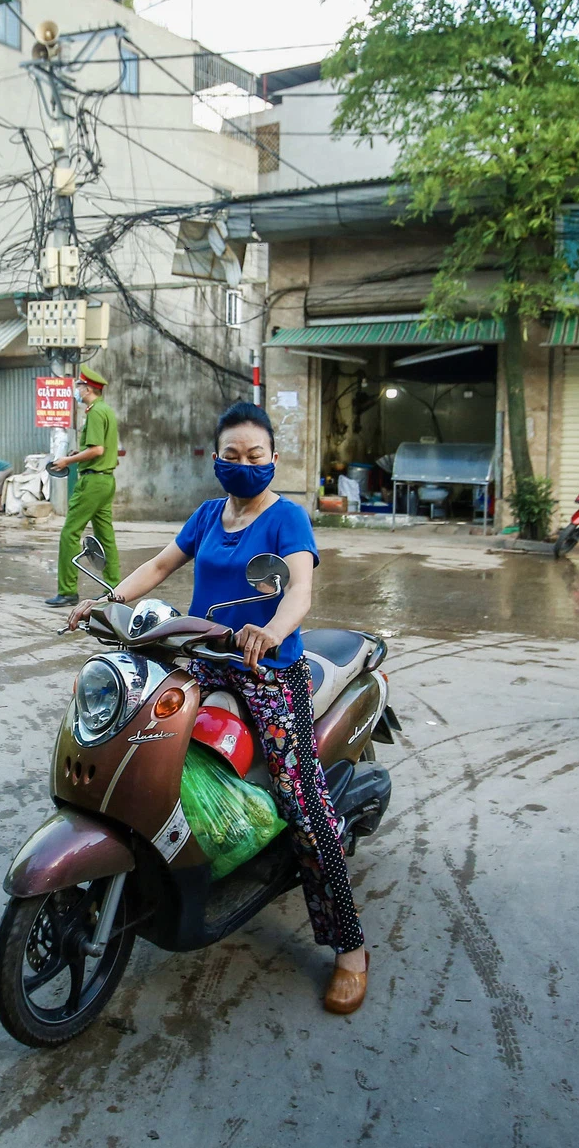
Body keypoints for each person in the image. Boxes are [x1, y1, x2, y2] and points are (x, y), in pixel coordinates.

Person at [65, 402, 368, 1010]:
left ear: (273, 459)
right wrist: (103, 602)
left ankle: (350, 948)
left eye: (255, 456)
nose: (243, 465)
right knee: (140, 733)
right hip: (204, 657)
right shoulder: (207, 515)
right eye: (232, 456)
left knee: (307, 809)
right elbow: (158, 564)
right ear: (216, 459)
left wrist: (272, 632)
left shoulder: (288, 519)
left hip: (268, 671)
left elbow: (300, 590)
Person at [46, 366, 120, 608]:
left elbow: (97, 449)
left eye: (78, 387)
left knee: (70, 533)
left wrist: (67, 460)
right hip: (106, 479)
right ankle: (114, 587)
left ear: (87, 389)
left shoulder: (96, 412)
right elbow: (101, 450)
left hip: (92, 482)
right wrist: (81, 454)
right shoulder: (106, 410)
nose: (76, 391)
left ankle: (67, 591)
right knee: (105, 536)